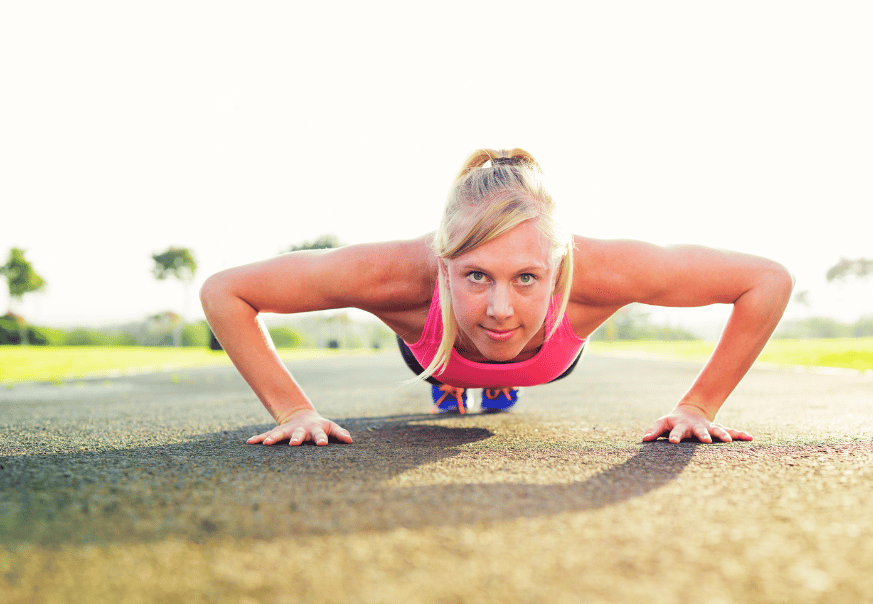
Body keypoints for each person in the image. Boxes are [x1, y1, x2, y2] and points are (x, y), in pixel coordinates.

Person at [200, 148, 793, 447]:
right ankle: (454, 379)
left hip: (551, 360)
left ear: (560, 265)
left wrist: (699, 407)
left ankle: (489, 379)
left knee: (495, 344)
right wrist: (293, 410)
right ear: (442, 258)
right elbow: (227, 292)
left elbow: (765, 281)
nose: (500, 309)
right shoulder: (392, 274)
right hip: (434, 351)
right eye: (476, 275)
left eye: (527, 278)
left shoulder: (605, 271)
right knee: (455, 365)